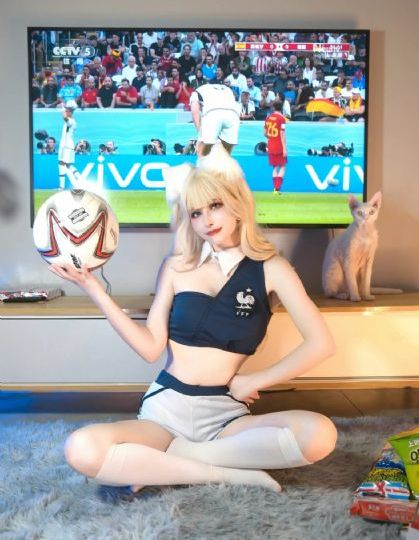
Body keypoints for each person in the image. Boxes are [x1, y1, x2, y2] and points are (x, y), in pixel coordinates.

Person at [48, 145, 337, 493]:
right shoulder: (176, 266)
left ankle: (169, 462)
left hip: (224, 413)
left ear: (237, 203)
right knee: (80, 448)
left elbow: (322, 344)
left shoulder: (273, 268)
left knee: (320, 435)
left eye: (215, 206)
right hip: (165, 411)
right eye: (196, 213)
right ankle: (227, 472)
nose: (206, 221)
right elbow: (150, 348)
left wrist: (254, 380)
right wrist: (92, 286)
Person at [189, 83, 240, 156]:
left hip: (212, 112)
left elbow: (195, 111)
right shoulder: (227, 89)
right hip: (234, 114)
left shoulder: (196, 92)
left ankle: (203, 161)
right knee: (226, 153)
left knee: (203, 152)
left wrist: (200, 133)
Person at [264, 100, 287, 195]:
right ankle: (277, 189)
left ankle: (275, 189)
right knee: (283, 166)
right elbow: (282, 133)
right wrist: (284, 148)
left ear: (273, 107)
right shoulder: (282, 119)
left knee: (275, 167)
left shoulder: (268, 118)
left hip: (270, 145)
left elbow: (265, 133)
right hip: (279, 145)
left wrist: (271, 138)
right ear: (282, 108)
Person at [58, 100, 80, 190]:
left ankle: (62, 186)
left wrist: (62, 107)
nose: (65, 112)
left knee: (61, 163)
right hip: (68, 146)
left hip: (66, 146)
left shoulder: (71, 121)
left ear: (70, 112)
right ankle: (80, 179)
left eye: (67, 111)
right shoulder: (72, 121)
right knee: (68, 165)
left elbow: (64, 117)